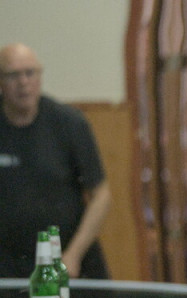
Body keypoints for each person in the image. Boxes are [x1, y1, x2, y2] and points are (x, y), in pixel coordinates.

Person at [0, 42, 111, 279]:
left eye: (30, 73)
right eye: (13, 75)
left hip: (70, 261)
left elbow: (101, 195)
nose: (23, 82)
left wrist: (73, 255)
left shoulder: (69, 123)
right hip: (9, 267)